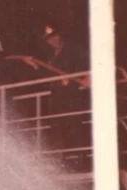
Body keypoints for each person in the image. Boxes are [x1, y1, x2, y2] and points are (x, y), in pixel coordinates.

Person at [40, 24, 91, 171]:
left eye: (54, 37)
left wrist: (87, 77)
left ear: (59, 36)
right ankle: (60, 162)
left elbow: (90, 61)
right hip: (56, 96)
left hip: (71, 95)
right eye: (48, 39)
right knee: (56, 127)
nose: (52, 41)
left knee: (73, 125)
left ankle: (82, 161)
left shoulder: (73, 49)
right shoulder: (51, 56)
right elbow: (48, 75)